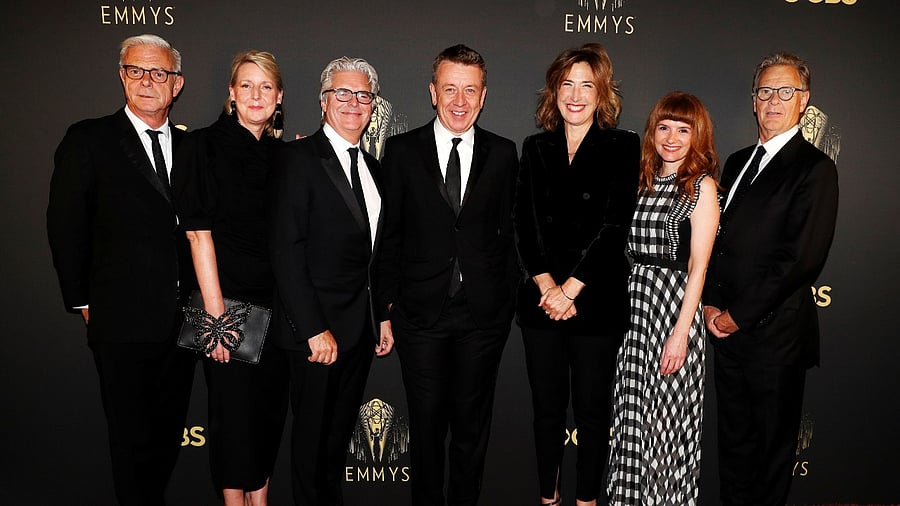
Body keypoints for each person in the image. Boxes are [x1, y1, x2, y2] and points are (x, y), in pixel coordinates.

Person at [46, 34, 195, 505]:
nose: (148, 81)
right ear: (122, 76)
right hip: (120, 320)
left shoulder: (192, 149)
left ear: (177, 84)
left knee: (167, 436)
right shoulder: (89, 139)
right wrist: (86, 303)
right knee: (130, 442)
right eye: (137, 70)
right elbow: (65, 225)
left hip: (183, 323)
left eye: (159, 73)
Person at [375, 44, 519, 506]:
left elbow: (511, 235)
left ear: (483, 96)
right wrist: (385, 309)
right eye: (450, 88)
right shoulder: (399, 151)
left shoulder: (503, 153)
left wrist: (503, 303)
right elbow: (387, 238)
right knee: (426, 430)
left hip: (482, 320)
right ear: (433, 92)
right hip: (419, 317)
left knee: (471, 433)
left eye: (470, 90)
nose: (460, 101)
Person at [703, 52, 839, 505]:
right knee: (735, 450)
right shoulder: (739, 160)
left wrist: (737, 316)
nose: (774, 100)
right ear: (754, 100)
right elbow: (718, 242)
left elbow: (800, 259)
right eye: (765, 91)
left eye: (786, 92)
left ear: (804, 101)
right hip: (725, 333)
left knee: (770, 457)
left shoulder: (816, 169)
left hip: (774, 339)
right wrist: (710, 304)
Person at [514, 43, 639, 506]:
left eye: (587, 84)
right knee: (546, 411)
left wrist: (571, 289)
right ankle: (548, 497)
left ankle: (587, 500)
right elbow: (523, 225)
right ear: (554, 90)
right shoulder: (536, 146)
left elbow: (614, 226)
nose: (576, 94)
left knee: (591, 411)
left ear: (602, 92)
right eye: (567, 83)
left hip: (596, 302)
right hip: (541, 303)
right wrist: (548, 287)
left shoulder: (622, 145)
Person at [268, 56, 393, 506]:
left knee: (336, 445)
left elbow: (375, 257)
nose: (353, 103)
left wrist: (382, 316)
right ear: (324, 102)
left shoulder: (377, 170)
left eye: (363, 95)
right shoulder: (297, 159)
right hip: (315, 334)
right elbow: (286, 250)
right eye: (342, 93)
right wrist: (312, 328)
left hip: (359, 331)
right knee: (310, 446)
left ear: (373, 105)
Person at [171, 50, 289, 506]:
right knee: (232, 421)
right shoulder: (202, 145)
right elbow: (199, 236)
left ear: (278, 96)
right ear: (231, 93)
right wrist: (216, 321)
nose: (255, 95)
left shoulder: (285, 154)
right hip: (228, 304)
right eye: (246, 85)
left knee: (266, 417)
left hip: (279, 309)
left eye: (265, 87)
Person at [606, 92, 720, 505]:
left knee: (665, 426)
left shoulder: (702, 187)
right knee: (631, 420)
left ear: (697, 135)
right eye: (664, 127)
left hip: (673, 311)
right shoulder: (641, 179)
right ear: (653, 131)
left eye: (683, 129)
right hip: (631, 311)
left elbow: (699, 267)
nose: (671, 138)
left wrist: (681, 332)